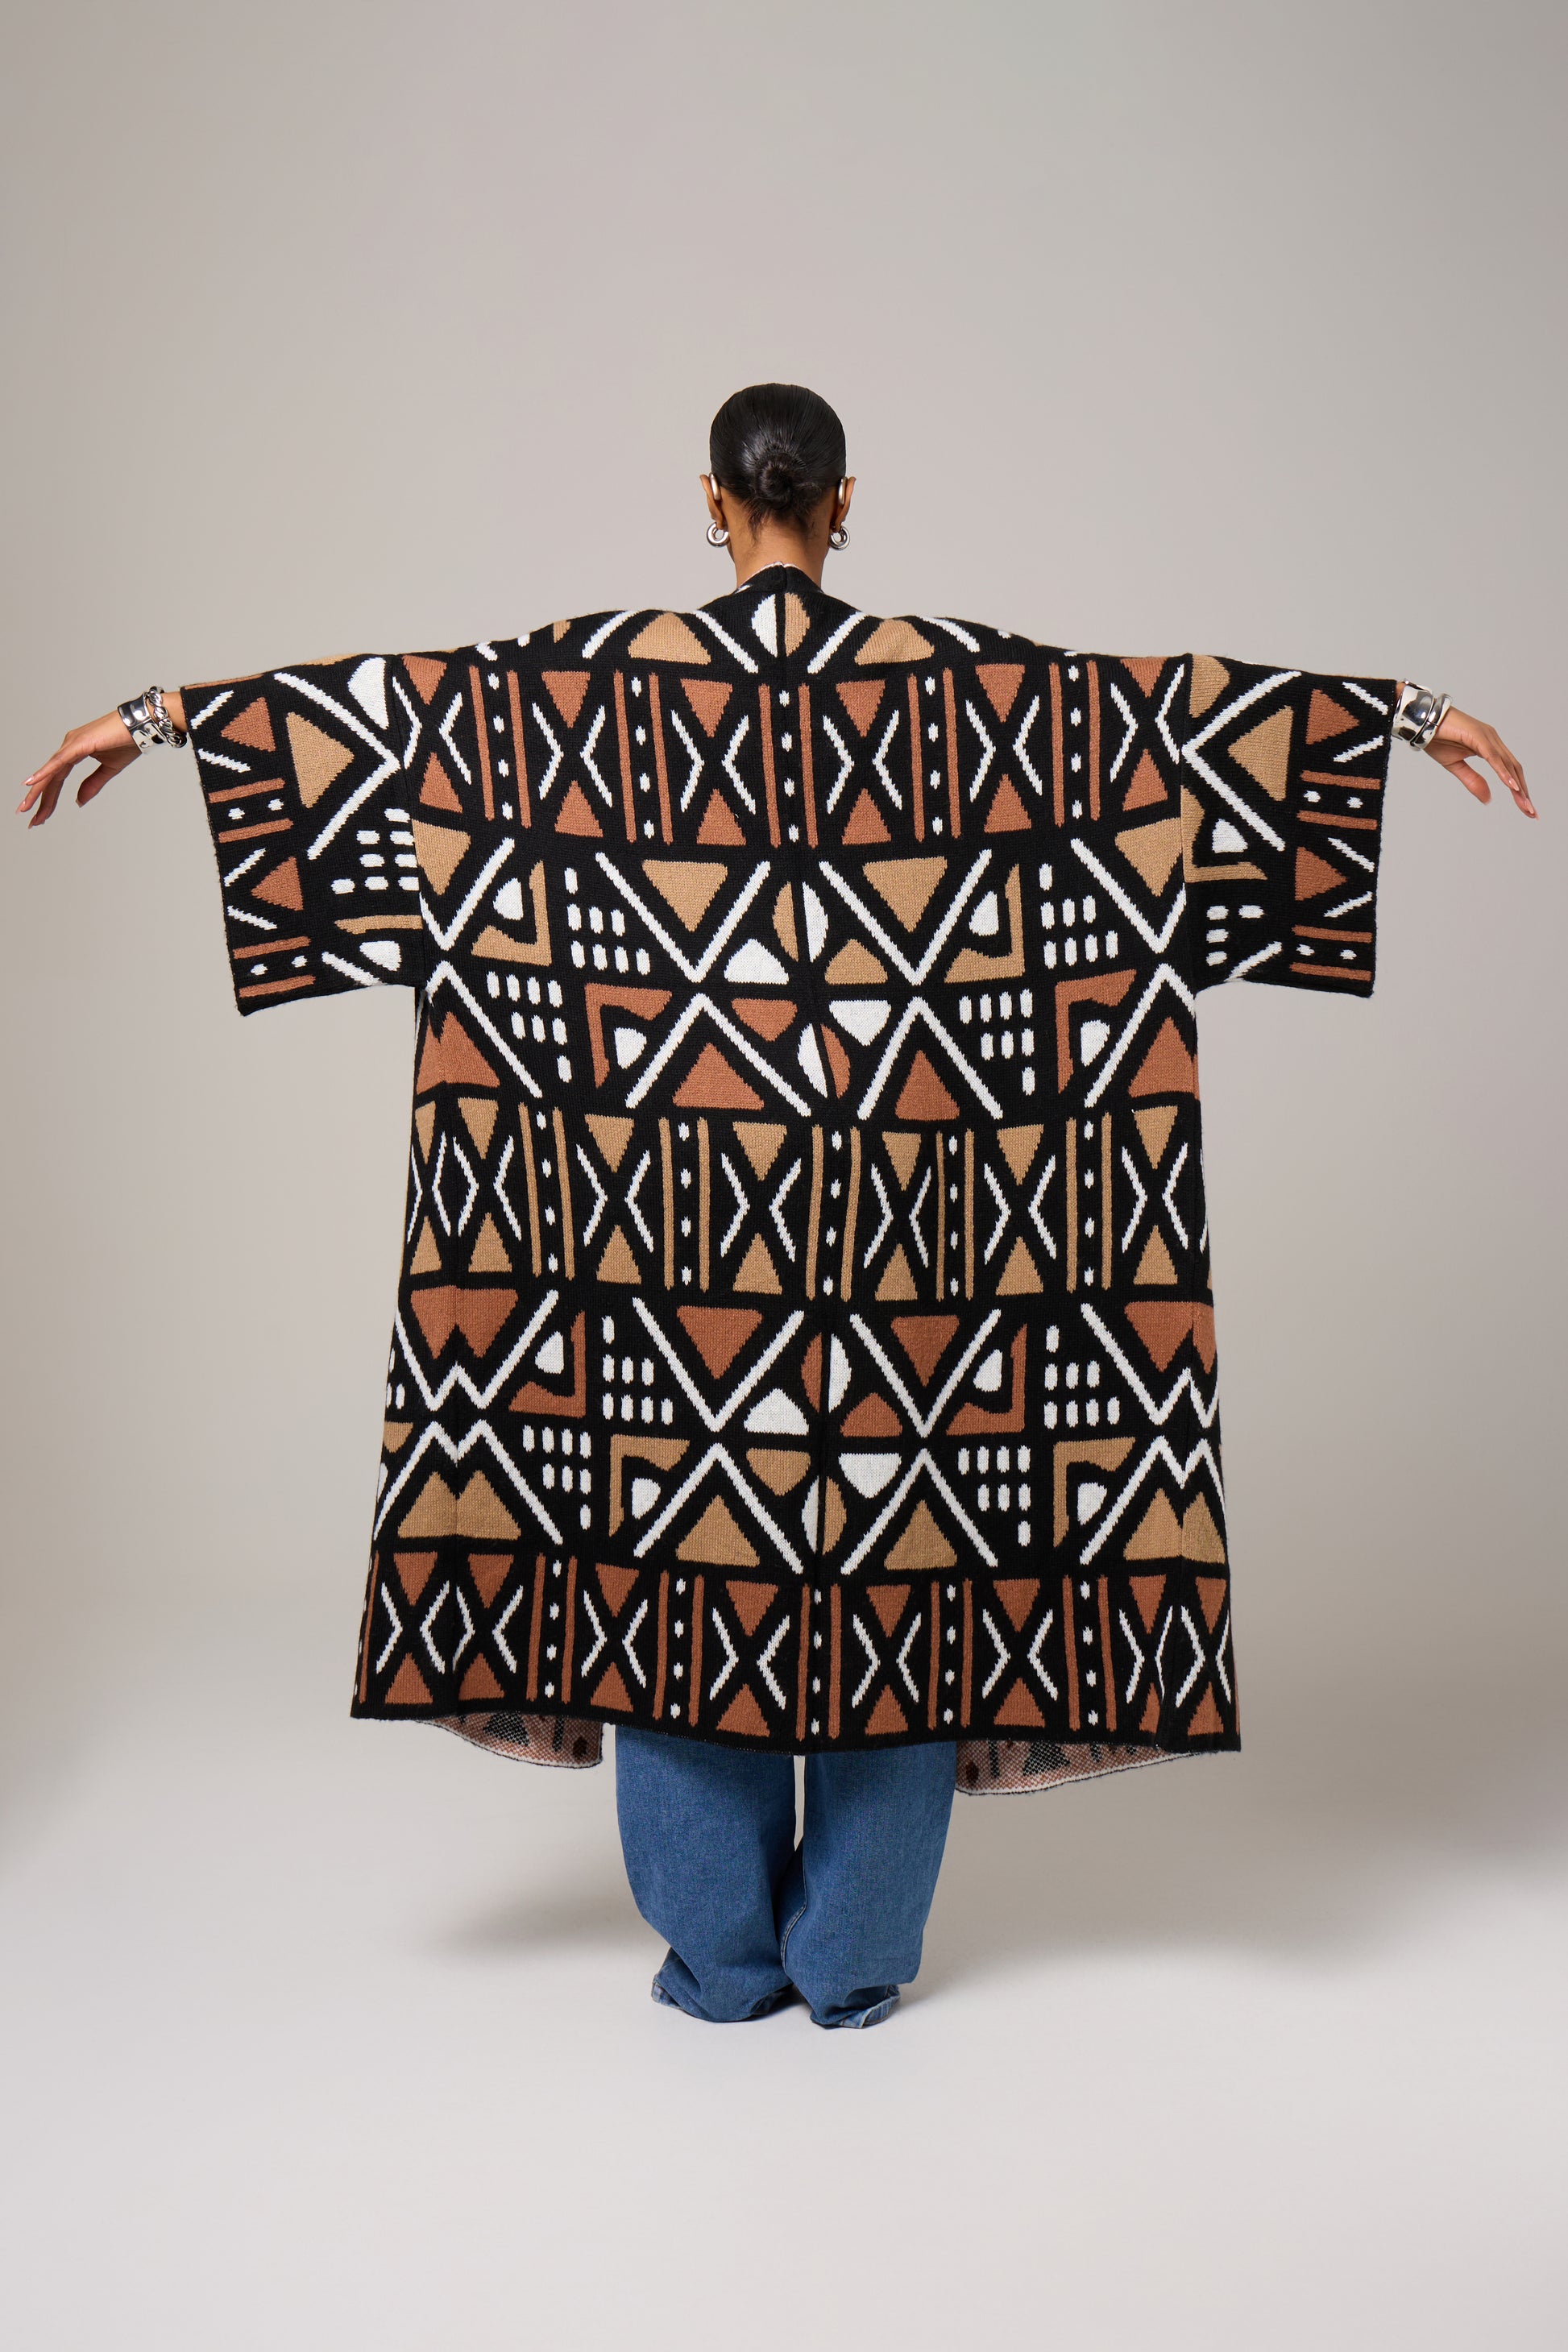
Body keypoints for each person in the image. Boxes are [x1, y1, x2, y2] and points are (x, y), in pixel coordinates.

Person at [17, 384, 1534, 2030]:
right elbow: (1170, 725)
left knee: (682, 1553)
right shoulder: (987, 694)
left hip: (668, 1250)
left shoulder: (573, 694)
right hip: (916, 1255)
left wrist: (160, 720)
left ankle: (721, 1958)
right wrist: (1404, 715)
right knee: (908, 1563)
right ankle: (854, 1961)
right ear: (844, 503)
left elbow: (387, 720)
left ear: (711, 502)